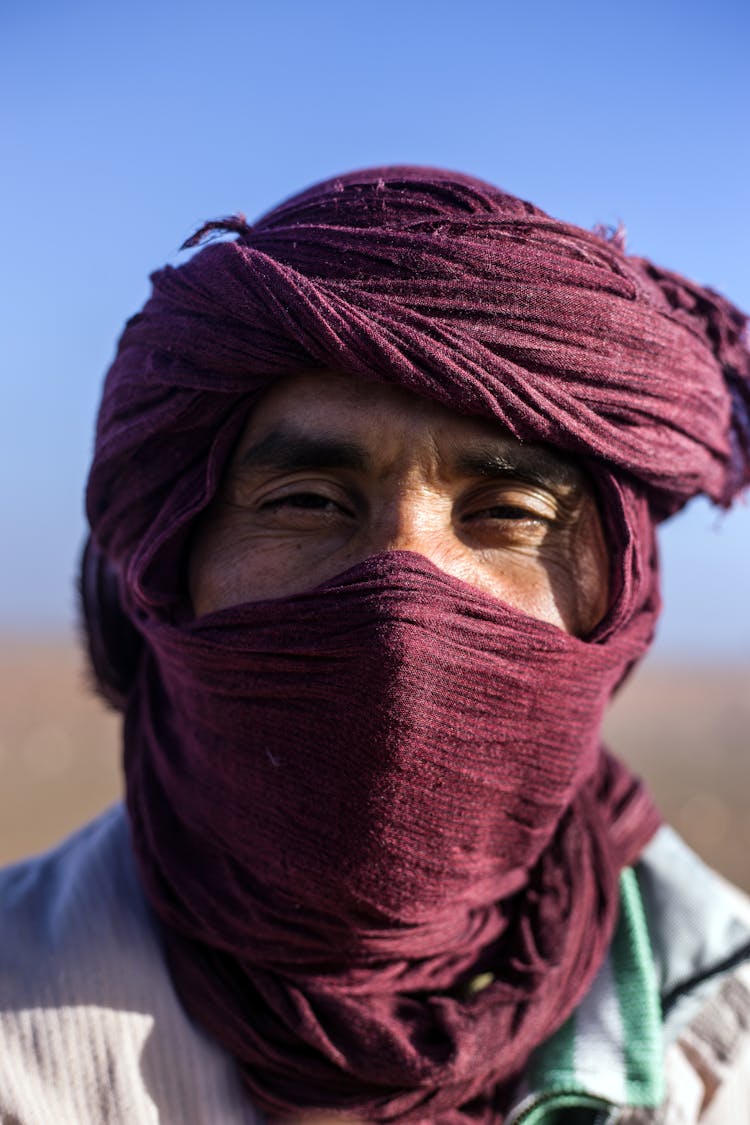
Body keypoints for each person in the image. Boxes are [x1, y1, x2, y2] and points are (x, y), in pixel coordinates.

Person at [1, 166, 750, 1124]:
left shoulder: (722, 1045)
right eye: (306, 501)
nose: (403, 598)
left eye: (508, 512)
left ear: (619, 600)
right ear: (168, 572)